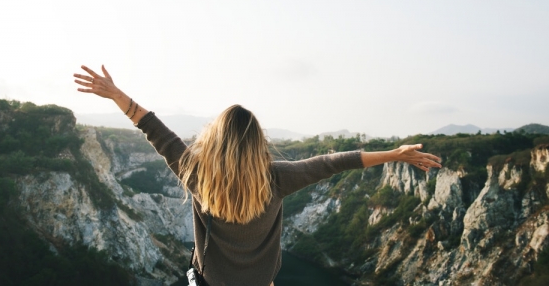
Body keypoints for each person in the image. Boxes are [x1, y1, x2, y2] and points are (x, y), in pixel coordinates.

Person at [74, 65, 442, 286]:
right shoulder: (277, 178)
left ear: (214, 140)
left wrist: (117, 94)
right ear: (258, 143)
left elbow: (154, 129)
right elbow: (334, 162)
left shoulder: (197, 174)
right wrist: (395, 154)